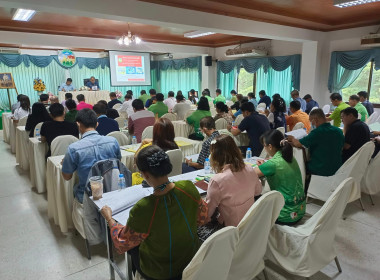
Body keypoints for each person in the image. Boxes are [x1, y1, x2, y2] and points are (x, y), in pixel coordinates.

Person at [100, 145, 207, 280]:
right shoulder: (188, 187)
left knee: (133, 249)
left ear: (145, 174)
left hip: (161, 271)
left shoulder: (144, 208)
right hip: (191, 259)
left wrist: (110, 219)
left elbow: (122, 243)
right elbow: (202, 218)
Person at [62, 109, 121, 203]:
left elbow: (67, 177)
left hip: (87, 197)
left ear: (78, 124)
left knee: (75, 188)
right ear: (97, 124)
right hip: (111, 192)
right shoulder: (113, 141)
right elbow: (118, 163)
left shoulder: (73, 148)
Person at [206, 134, 262, 226]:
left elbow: (208, 213)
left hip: (230, 230)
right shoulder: (249, 169)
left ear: (214, 156)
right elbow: (258, 191)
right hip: (250, 223)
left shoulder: (217, 180)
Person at [254, 130, 305, 225]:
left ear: (270, 146)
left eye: (264, 145)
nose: (264, 148)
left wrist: (264, 166)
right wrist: (266, 165)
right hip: (300, 210)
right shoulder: (290, 157)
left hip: (285, 216)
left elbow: (250, 174)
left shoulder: (272, 164)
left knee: (254, 199)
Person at [288, 109, 344, 177]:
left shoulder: (317, 132)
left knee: (299, 164)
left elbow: (298, 144)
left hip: (320, 168)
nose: (311, 124)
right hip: (337, 168)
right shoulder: (338, 131)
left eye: (311, 121)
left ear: (315, 120)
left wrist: (292, 138)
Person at [131, 118, 179, 185]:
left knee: (133, 175)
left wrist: (143, 143)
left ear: (155, 132)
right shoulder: (175, 146)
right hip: (172, 179)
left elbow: (136, 160)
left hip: (152, 182)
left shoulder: (150, 148)